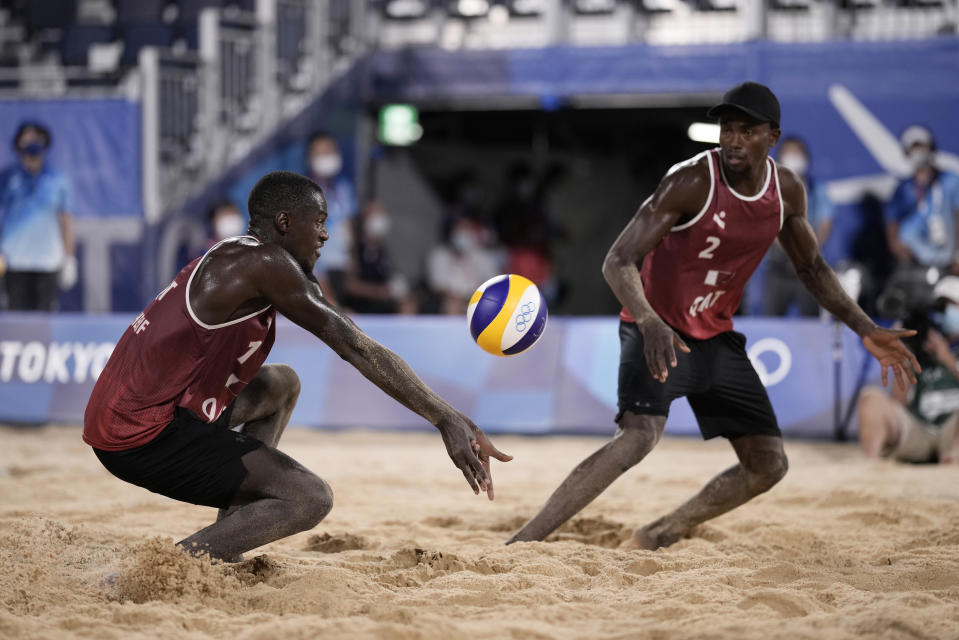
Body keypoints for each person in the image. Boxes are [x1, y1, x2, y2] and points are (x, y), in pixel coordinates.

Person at [507, 82, 920, 549]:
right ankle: (523, 544)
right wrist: (647, 320)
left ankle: (662, 531)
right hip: (657, 327)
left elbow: (812, 269)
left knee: (769, 464)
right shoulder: (691, 180)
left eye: (747, 130)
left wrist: (865, 328)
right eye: (727, 129)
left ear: (773, 137)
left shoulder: (785, 191)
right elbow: (617, 260)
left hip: (715, 335)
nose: (733, 139)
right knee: (639, 437)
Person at [83, 171, 511, 562]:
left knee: (281, 385)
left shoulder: (249, 257)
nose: (325, 234)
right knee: (309, 498)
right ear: (285, 223)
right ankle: (170, 567)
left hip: (145, 412)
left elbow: (347, 330)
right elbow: (354, 346)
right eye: (319, 221)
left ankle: (226, 539)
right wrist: (445, 418)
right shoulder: (263, 264)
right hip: (139, 435)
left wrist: (448, 416)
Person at [858, 276, 959, 464]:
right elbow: (899, 402)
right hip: (920, 427)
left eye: (951, 307)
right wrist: (902, 353)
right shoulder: (922, 343)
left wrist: (946, 358)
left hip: (953, 433)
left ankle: (954, 458)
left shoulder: (946, 350)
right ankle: (870, 468)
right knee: (870, 399)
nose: (946, 314)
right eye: (941, 307)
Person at [0, 121, 76, 310]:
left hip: (48, 262)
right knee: (16, 322)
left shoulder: (58, 180)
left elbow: (66, 220)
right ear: (17, 145)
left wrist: (68, 259)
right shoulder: (7, 178)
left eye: (36, 138)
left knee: (45, 322)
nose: (31, 143)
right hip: (14, 262)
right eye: (26, 138)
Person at [762, 136, 835, 316]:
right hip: (779, 267)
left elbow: (826, 222)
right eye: (789, 153)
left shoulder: (818, 190)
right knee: (771, 322)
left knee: (810, 322)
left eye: (798, 153)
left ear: (806, 158)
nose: (794, 158)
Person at [885, 125, 959, 272]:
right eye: (913, 148)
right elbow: (891, 222)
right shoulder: (902, 189)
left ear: (931, 148)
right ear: (906, 152)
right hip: (916, 261)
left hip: (949, 259)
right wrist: (897, 247)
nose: (918, 153)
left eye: (921, 147)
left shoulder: (950, 180)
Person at [306, 131, 357, 304]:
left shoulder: (344, 188)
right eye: (320, 153)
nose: (326, 156)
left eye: (329, 151)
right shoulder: (304, 194)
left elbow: (347, 225)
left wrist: (352, 260)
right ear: (310, 159)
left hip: (342, 268)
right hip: (319, 271)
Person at [341, 200, 413, 314]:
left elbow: (390, 278)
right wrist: (379, 292)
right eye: (375, 214)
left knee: (408, 303)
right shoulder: (355, 249)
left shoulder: (383, 251)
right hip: (360, 305)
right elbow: (351, 285)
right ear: (365, 219)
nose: (380, 219)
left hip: (383, 304)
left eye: (382, 213)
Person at [427, 214, 502, 315]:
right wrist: (459, 300)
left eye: (467, 228)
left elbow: (494, 286)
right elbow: (439, 287)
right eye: (460, 228)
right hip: (451, 302)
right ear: (452, 231)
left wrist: (474, 300)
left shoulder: (484, 257)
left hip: (478, 302)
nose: (464, 232)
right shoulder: (439, 255)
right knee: (451, 305)